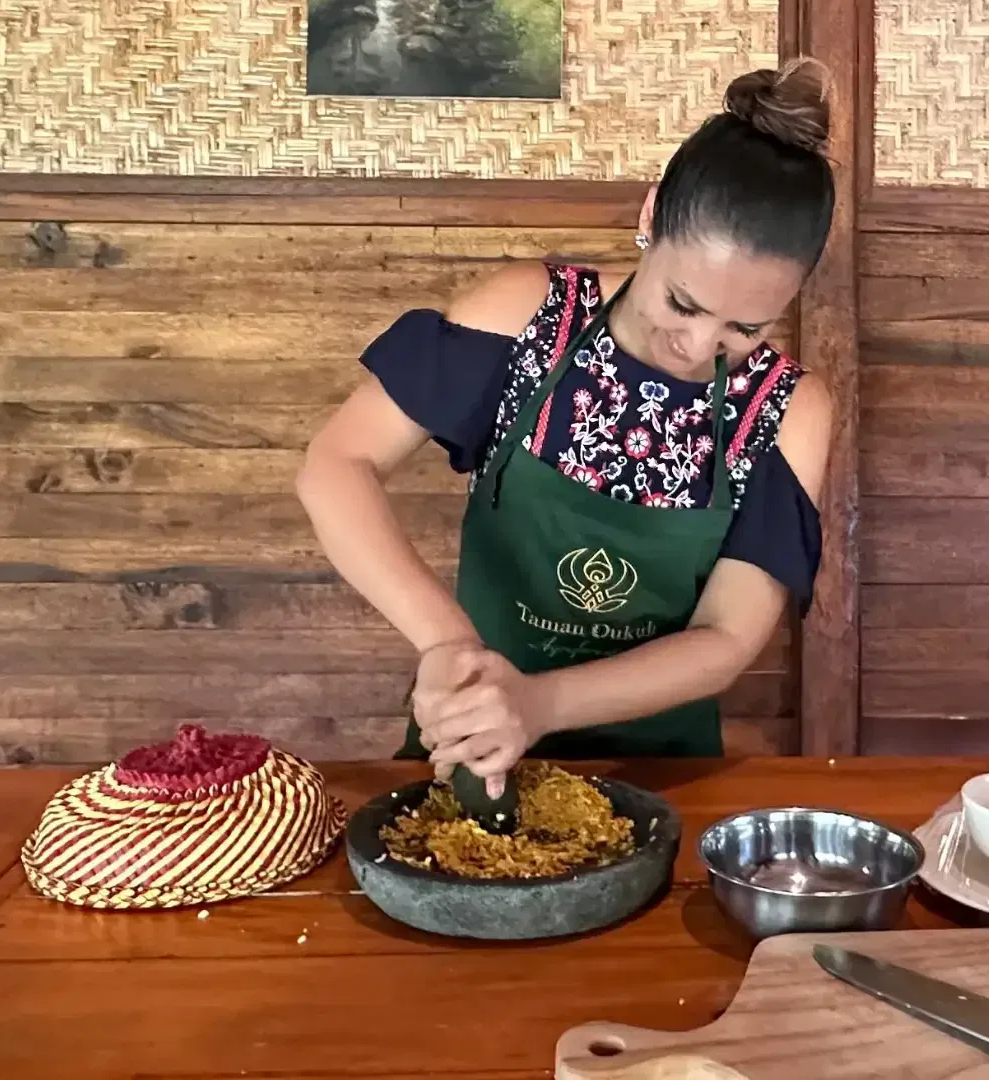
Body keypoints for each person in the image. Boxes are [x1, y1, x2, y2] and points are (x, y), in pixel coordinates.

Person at [295, 59, 837, 795]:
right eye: (682, 303)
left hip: (661, 776)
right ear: (651, 218)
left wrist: (540, 704)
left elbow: (728, 637)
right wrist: (448, 642)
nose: (697, 345)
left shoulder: (789, 411)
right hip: (473, 747)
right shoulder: (527, 317)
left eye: (745, 326)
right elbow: (337, 463)